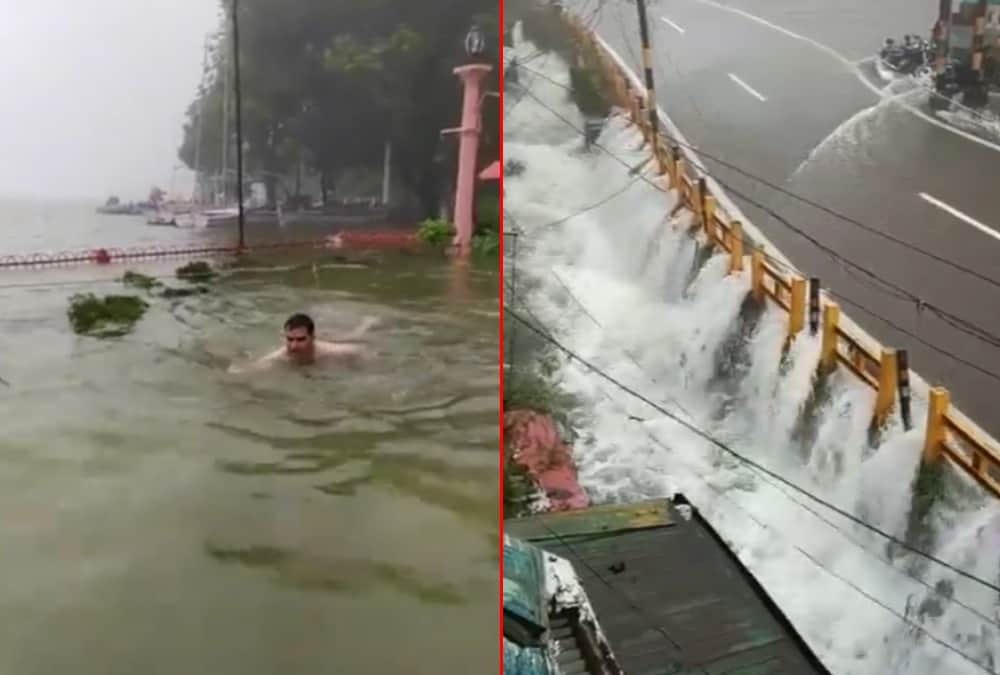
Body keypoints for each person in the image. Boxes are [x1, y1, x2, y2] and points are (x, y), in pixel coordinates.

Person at [228, 313, 377, 373]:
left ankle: (367, 324)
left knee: (355, 335)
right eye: (289, 339)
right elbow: (254, 366)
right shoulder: (281, 355)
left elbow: (362, 350)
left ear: (312, 337)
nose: (293, 345)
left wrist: (363, 368)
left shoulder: (329, 350)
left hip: (330, 340)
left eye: (300, 340)